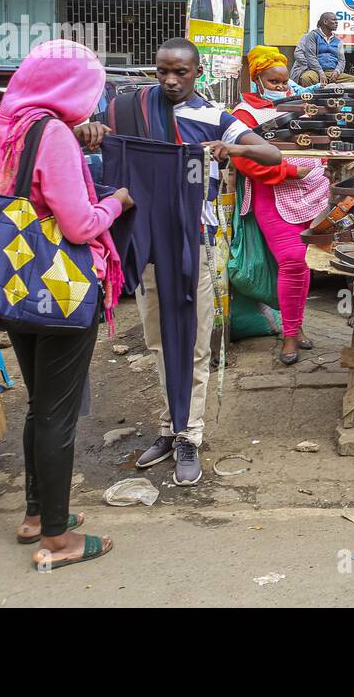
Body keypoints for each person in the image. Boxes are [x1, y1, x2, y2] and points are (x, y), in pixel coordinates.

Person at [0, 40, 132, 569]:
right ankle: (57, 542)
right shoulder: (53, 134)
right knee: (58, 414)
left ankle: (38, 515)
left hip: (11, 280)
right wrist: (116, 201)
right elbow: (81, 224)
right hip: (60, 287)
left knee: (40, 404)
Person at [124, 39, 285, 485]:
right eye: (162, 72)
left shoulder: (216, 119)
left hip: (195, 242)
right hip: (148, 244)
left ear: (198, 74)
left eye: (180, 72)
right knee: (157, 340)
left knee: (193, 341)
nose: (170, 81)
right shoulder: (133, 112)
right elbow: (105, 148)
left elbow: (272, 153)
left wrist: (230, 149)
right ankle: (168, 424)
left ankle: (189, 435)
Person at [232, 47, 330, 365]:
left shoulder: (299, 103)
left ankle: (296, 327)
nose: (279, 86)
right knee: (291, 261)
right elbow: (247, 161)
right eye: (272, 81)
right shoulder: (243, 114)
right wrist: (290, 170)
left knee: (306, 263)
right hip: (272, 195)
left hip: (312, 190)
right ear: (257, 77)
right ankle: (289, 336)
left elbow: (318, 138)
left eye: (283, 80)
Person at [293, 12, 354, 87]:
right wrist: (319, 71)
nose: (337, 22)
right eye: (334, 20)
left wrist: (337, 72)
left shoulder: (339, 40)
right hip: (315, 71)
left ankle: (339, 98)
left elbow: (342, 60)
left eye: (337, 20)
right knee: (306, 78)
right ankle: (312, 98)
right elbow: (308, 56)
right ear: (325, 22)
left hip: (332, 72)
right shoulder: (311, 36)